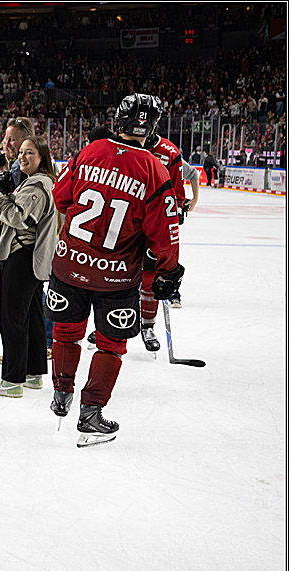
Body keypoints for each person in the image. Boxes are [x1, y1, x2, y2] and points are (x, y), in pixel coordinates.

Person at [48, 93, 183, 447]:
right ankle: (90, 413)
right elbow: (165, 233)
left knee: (66, 332)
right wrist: (168, 270)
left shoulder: (89, 151)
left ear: (119, 121)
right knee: (111, 344)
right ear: (152, 127)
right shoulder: (154, 169)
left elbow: (61, 197)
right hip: (116, 275)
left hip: (69, 263)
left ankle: (61, 394)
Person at [0, 135, 58, 398]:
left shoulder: (37, 185)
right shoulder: (39, 182)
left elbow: (19, 218)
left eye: (30, 153)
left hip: (22, 256)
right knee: (32, 316)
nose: (23, 157)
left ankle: (12, 381)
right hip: (30, 257)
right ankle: (34, 373)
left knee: (12, 318)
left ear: (42, 157)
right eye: (22, 152)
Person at [140, 104, 185, 354]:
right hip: (128, 221)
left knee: (151, 277)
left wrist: (176, 210)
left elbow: (177, 189)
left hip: (156, 225)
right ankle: (115, 322)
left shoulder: (169, 152)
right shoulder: (126, 147)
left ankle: (147, 326)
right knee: (120, 275)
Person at [170, 160, 201, 309]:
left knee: (168, 252)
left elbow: (193, 173)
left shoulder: (170, 156)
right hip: (148, 211)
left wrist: (195, 199)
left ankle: (172, 291)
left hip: (169, 212)